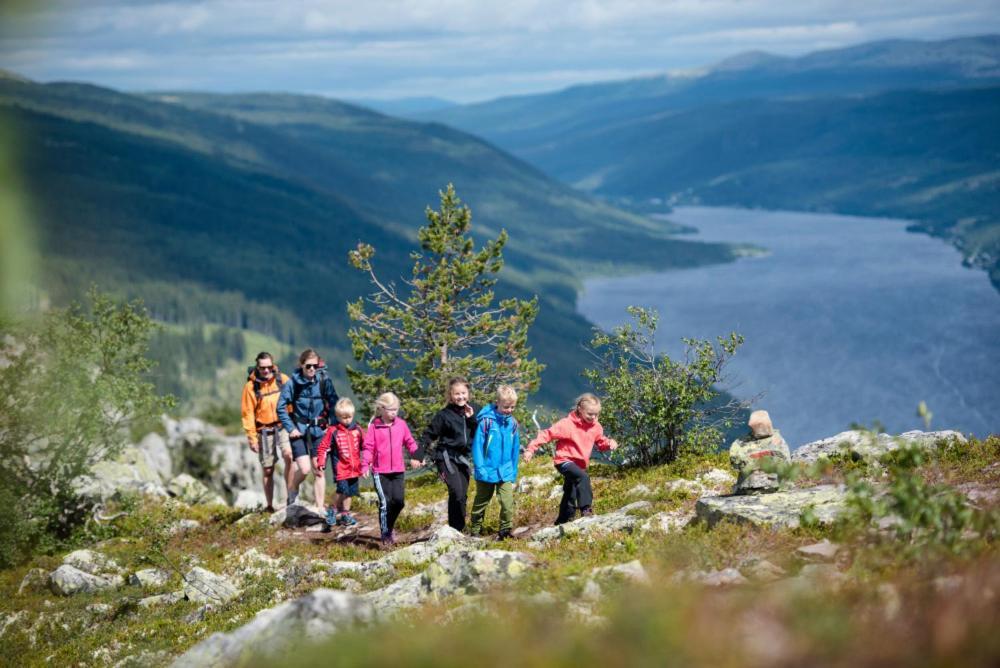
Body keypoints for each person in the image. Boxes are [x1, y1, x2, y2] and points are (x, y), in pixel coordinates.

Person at [524, 393, 618, 525]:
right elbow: (547, 434)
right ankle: (586, 509)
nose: (593, 417)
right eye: (590, 414)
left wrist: (609, 443)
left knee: (570, 492)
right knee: (583, 477)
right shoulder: (567, 424)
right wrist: (531, 449)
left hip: (580, 464)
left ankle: (563, 520)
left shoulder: (596, 427)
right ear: (580, 409)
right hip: (564, 461)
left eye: (596, 414)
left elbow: (600, 442)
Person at [277, 349, 338, 507]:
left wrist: (332, 425)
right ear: (301, 365)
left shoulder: (324, 381)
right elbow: (280, 407)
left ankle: (319, 508)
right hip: (299, 431)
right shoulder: (293, 383)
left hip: (319, 431)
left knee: (319, 470)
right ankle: (292, 489)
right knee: (304, 470)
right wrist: (291, 428)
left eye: (315, 366)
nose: (312, 369)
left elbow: (334, 404)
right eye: (308, 366)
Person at [361, 392, 423, 546]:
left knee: (399, 502)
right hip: (380, 472)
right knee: (385, 503)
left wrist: (418, 456)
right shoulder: (374, 426)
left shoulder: (401, 424)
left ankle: (390, 526)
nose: (394, 412)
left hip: (397, 470)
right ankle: (385, 533)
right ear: (381, 409)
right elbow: (368, 447)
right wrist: (365, 464)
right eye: (390, 410)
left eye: (396, 409)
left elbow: (410, 442)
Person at [419, 377, 478, 531]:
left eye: (463, 393)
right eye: (457, 394)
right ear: (451, 395)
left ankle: (458, 529)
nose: (461, 397)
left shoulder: (471, 412)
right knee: (457, 492)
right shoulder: (444, 415)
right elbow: (428, 434)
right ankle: (457, 529)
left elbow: (479, 433)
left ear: (468, 394)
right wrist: (418, 455)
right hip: (445, 457)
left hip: (462, 459)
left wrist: (471, 418)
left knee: (462, 496)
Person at [240, 351, 294, 512]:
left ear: (273, 365)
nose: (266, 371)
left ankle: (291, 498)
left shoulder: (282, 379)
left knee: (289, 455)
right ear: (257, 366)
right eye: (262, 368)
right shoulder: (251, 387)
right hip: (264, 429)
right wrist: (251, 437)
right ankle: (270, 505)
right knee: (268, 469)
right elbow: (247, 413)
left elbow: (294, 398)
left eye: (269, 367)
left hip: (284, 424)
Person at [468, 385, 520, 540]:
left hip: (505, 470)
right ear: (497, 402)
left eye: (512, 407)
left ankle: (505, 530)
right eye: (506, 407)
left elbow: (515, 450)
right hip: (487, 470)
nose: (509, 410)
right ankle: (475, 529)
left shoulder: (513, 424)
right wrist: (480, 468)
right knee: (481, 502)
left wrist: (514, 471)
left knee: (507, 502)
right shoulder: (486, 423)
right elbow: (477, 446)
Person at [316, 398, 365, 529]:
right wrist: (321, 461)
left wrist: (368, 462)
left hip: (355, 468)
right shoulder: (333, 431)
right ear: (337, 416)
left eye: (349, 417)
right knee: (342, 489)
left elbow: (366, 446)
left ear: (353, 415)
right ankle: (332, 510)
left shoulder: (358, 430)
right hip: (341, 467)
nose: (347, 420)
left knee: (350, 492)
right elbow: (323, 447)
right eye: (343, 418)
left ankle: (346, 514)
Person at [729, 410, 790, 495]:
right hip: (747, 487)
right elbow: (735, 461)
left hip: (774, 486)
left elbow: (786, 463)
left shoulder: (778, 440)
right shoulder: (741, 443)